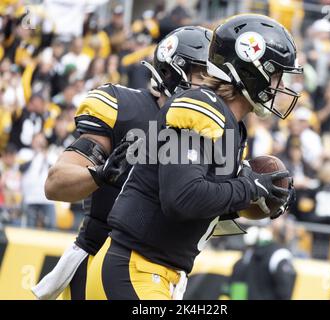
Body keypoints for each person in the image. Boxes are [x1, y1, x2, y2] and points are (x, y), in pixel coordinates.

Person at [86, 14, 302, 300]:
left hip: (157, 273)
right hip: (134, 268)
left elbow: (197, 208)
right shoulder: (200, 106)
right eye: (276, 74)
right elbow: (182, 199)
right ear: (252, 69)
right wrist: (249, 187)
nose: (280, 85)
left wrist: (255, 199)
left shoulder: (232, 126)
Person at [31, 26, 213, 300]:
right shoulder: (124, 107)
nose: (210, 87)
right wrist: (99, 175)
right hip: (101, 263)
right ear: (172, 71)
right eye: (203, 75)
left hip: (161, 275)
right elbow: (55, 184)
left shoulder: (211, 130)